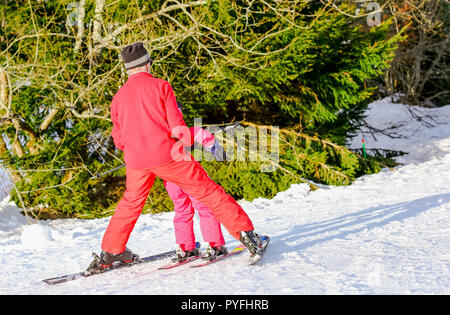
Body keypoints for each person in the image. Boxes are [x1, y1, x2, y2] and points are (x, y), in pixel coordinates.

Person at [87, 42, 267, 273]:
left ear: (127, 69)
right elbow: (177, 128)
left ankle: (111, 252)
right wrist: (195, 139)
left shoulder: (118, 98)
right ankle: (247, 235)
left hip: (135, 161)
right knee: (208, 192)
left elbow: (119, 139)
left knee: (130, 203)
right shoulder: (161, 86)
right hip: (168, 155)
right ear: (148, 63)